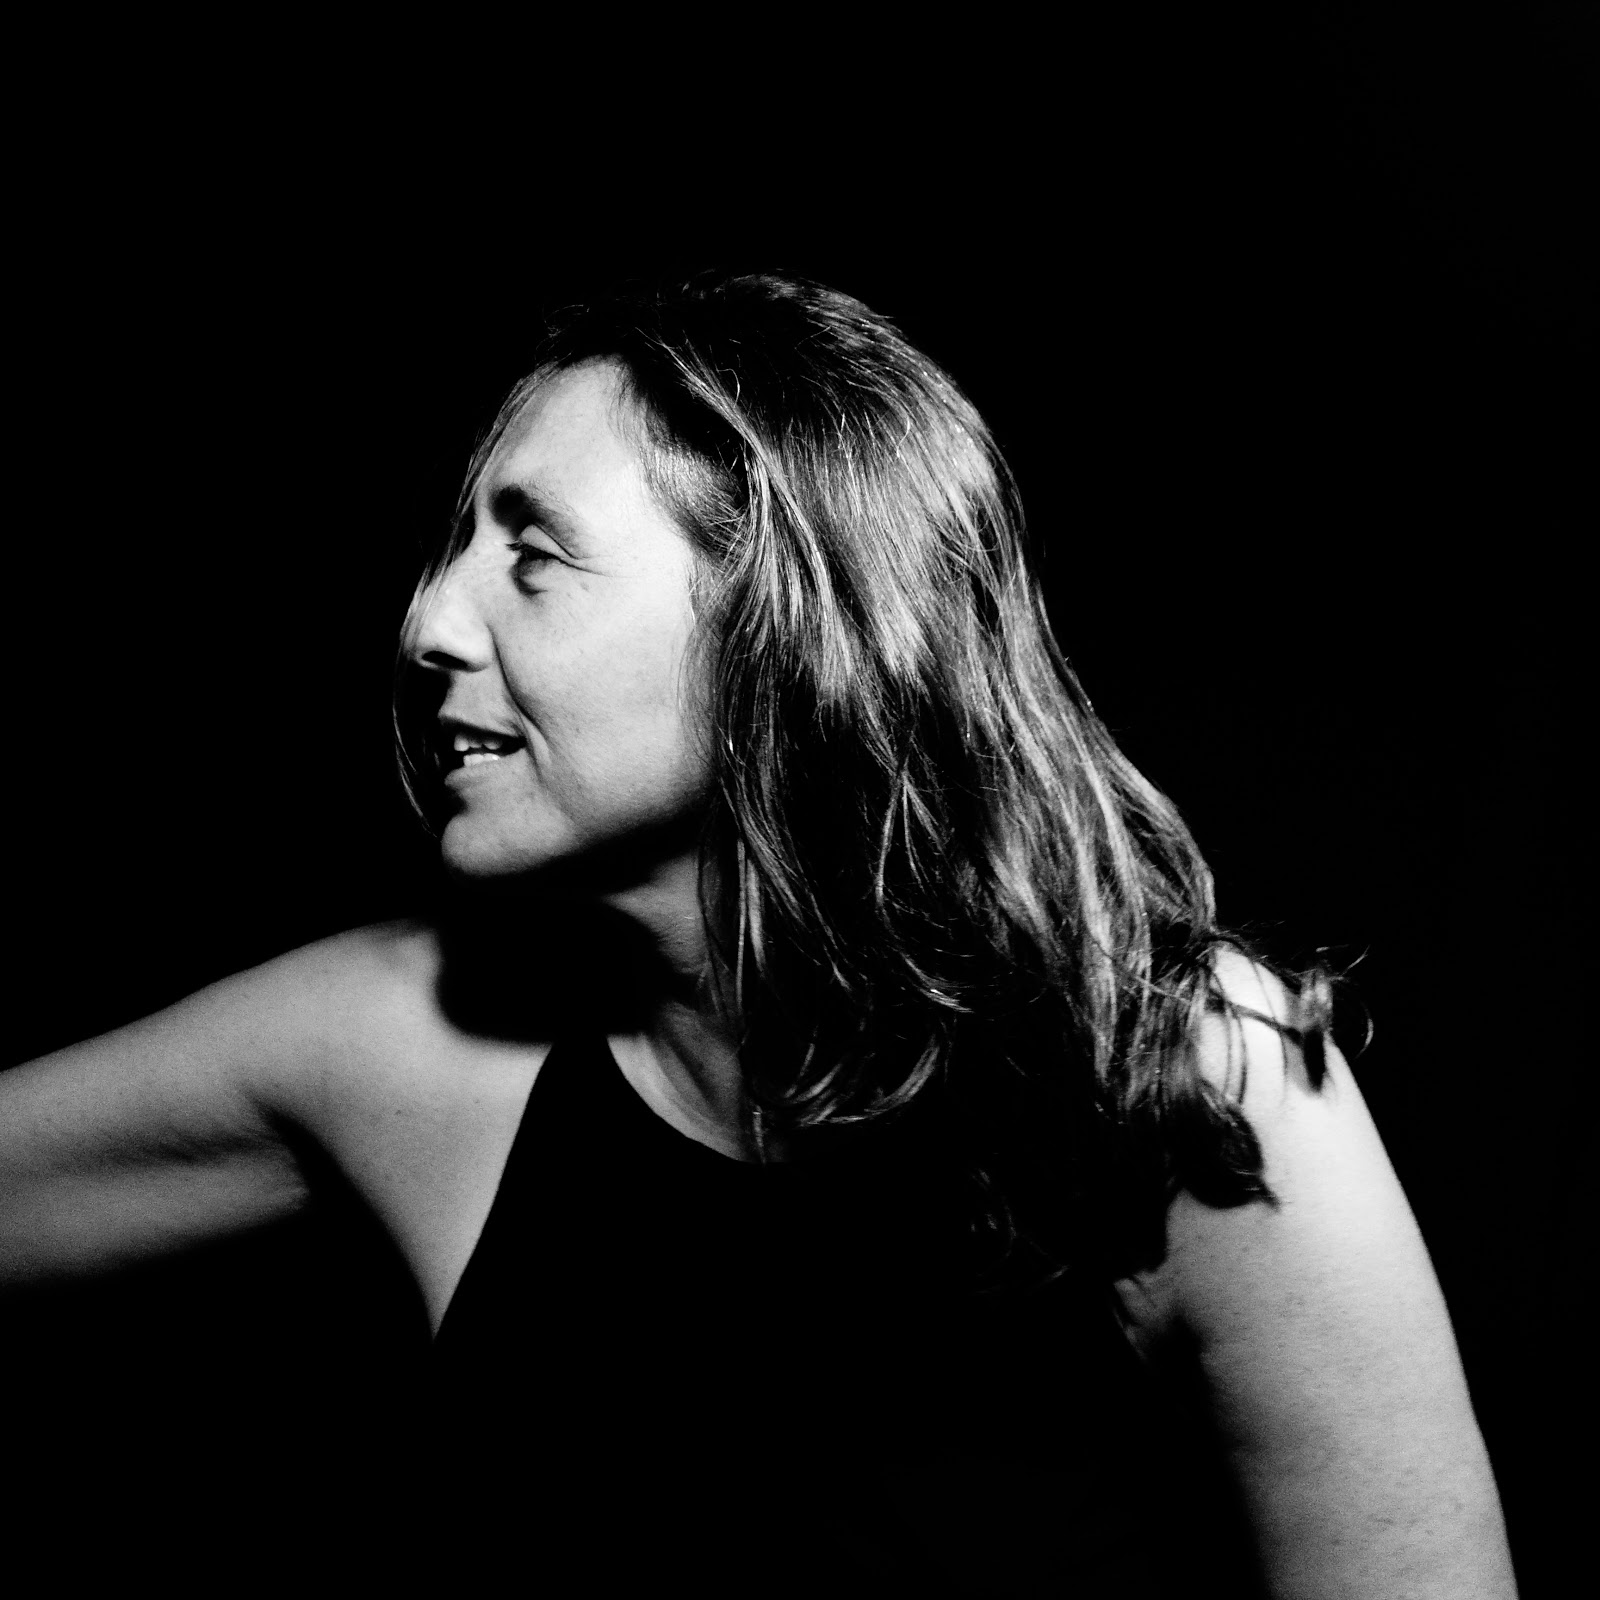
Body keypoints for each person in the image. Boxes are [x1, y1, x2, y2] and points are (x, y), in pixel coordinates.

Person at [1, 271, 1516, 1598]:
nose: (428, 626)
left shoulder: (1182, 1078)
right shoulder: (415, 1047)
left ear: (783, 616)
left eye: (534, 553)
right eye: (455, 545)